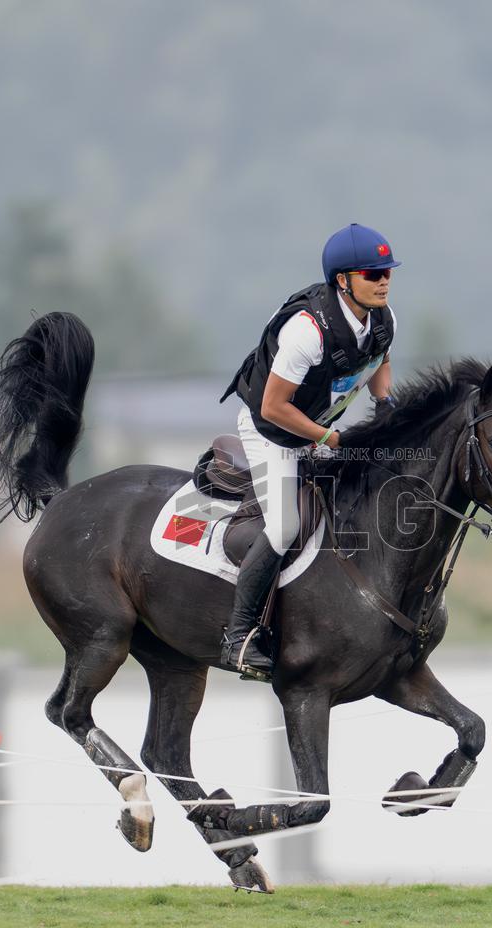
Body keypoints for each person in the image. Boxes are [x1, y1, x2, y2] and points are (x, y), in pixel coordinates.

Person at [218, 223, 401, 677]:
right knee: (285, 526)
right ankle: (238, 637)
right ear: (343, 280)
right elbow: (274, 407)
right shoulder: (307, 331)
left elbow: (380, 358)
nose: (383, 281)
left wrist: (387, 408)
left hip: (315, 429)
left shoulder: (384, 318)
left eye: (386, 273)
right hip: (272, 431)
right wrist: (332, 439)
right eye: (371, 274)